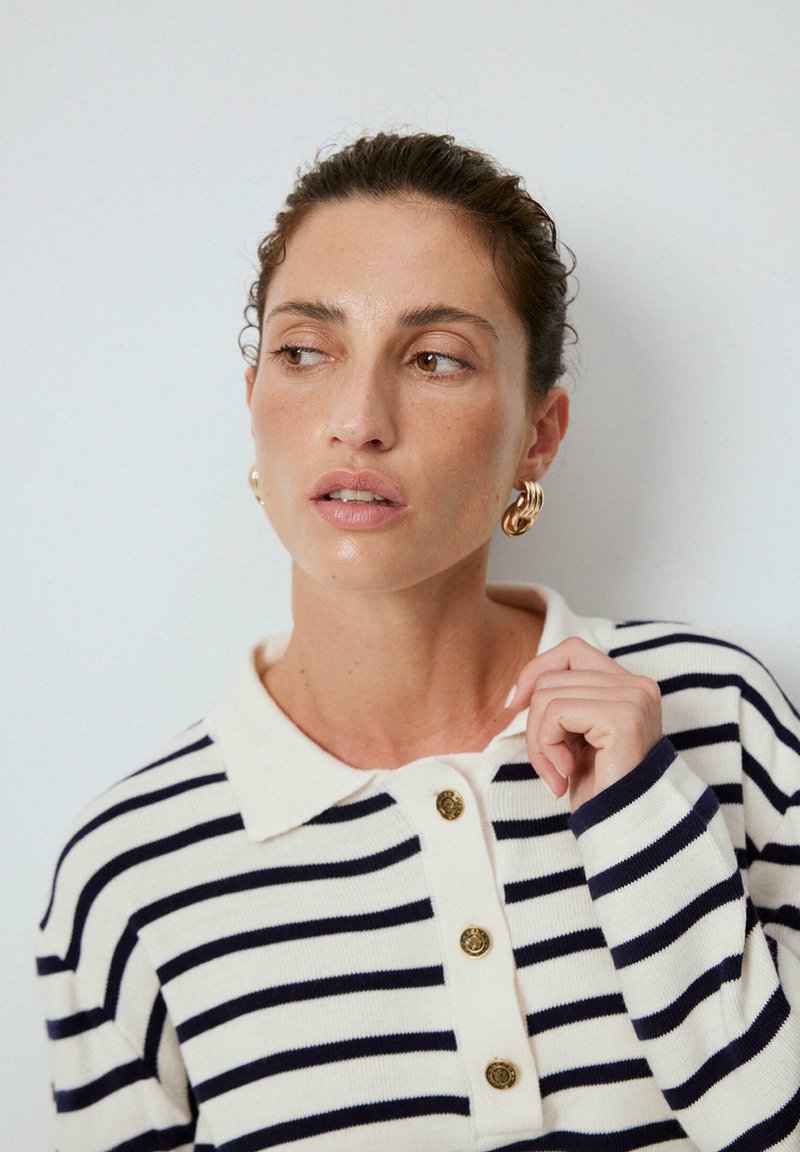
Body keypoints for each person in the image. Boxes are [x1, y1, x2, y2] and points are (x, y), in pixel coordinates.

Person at [37, 133, 800, 1152]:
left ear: (537, 436)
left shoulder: (716, 716)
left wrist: (642, 821)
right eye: (305, 351)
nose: (357, 421)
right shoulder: (127, 874)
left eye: (435, 358)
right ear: (253, 399)